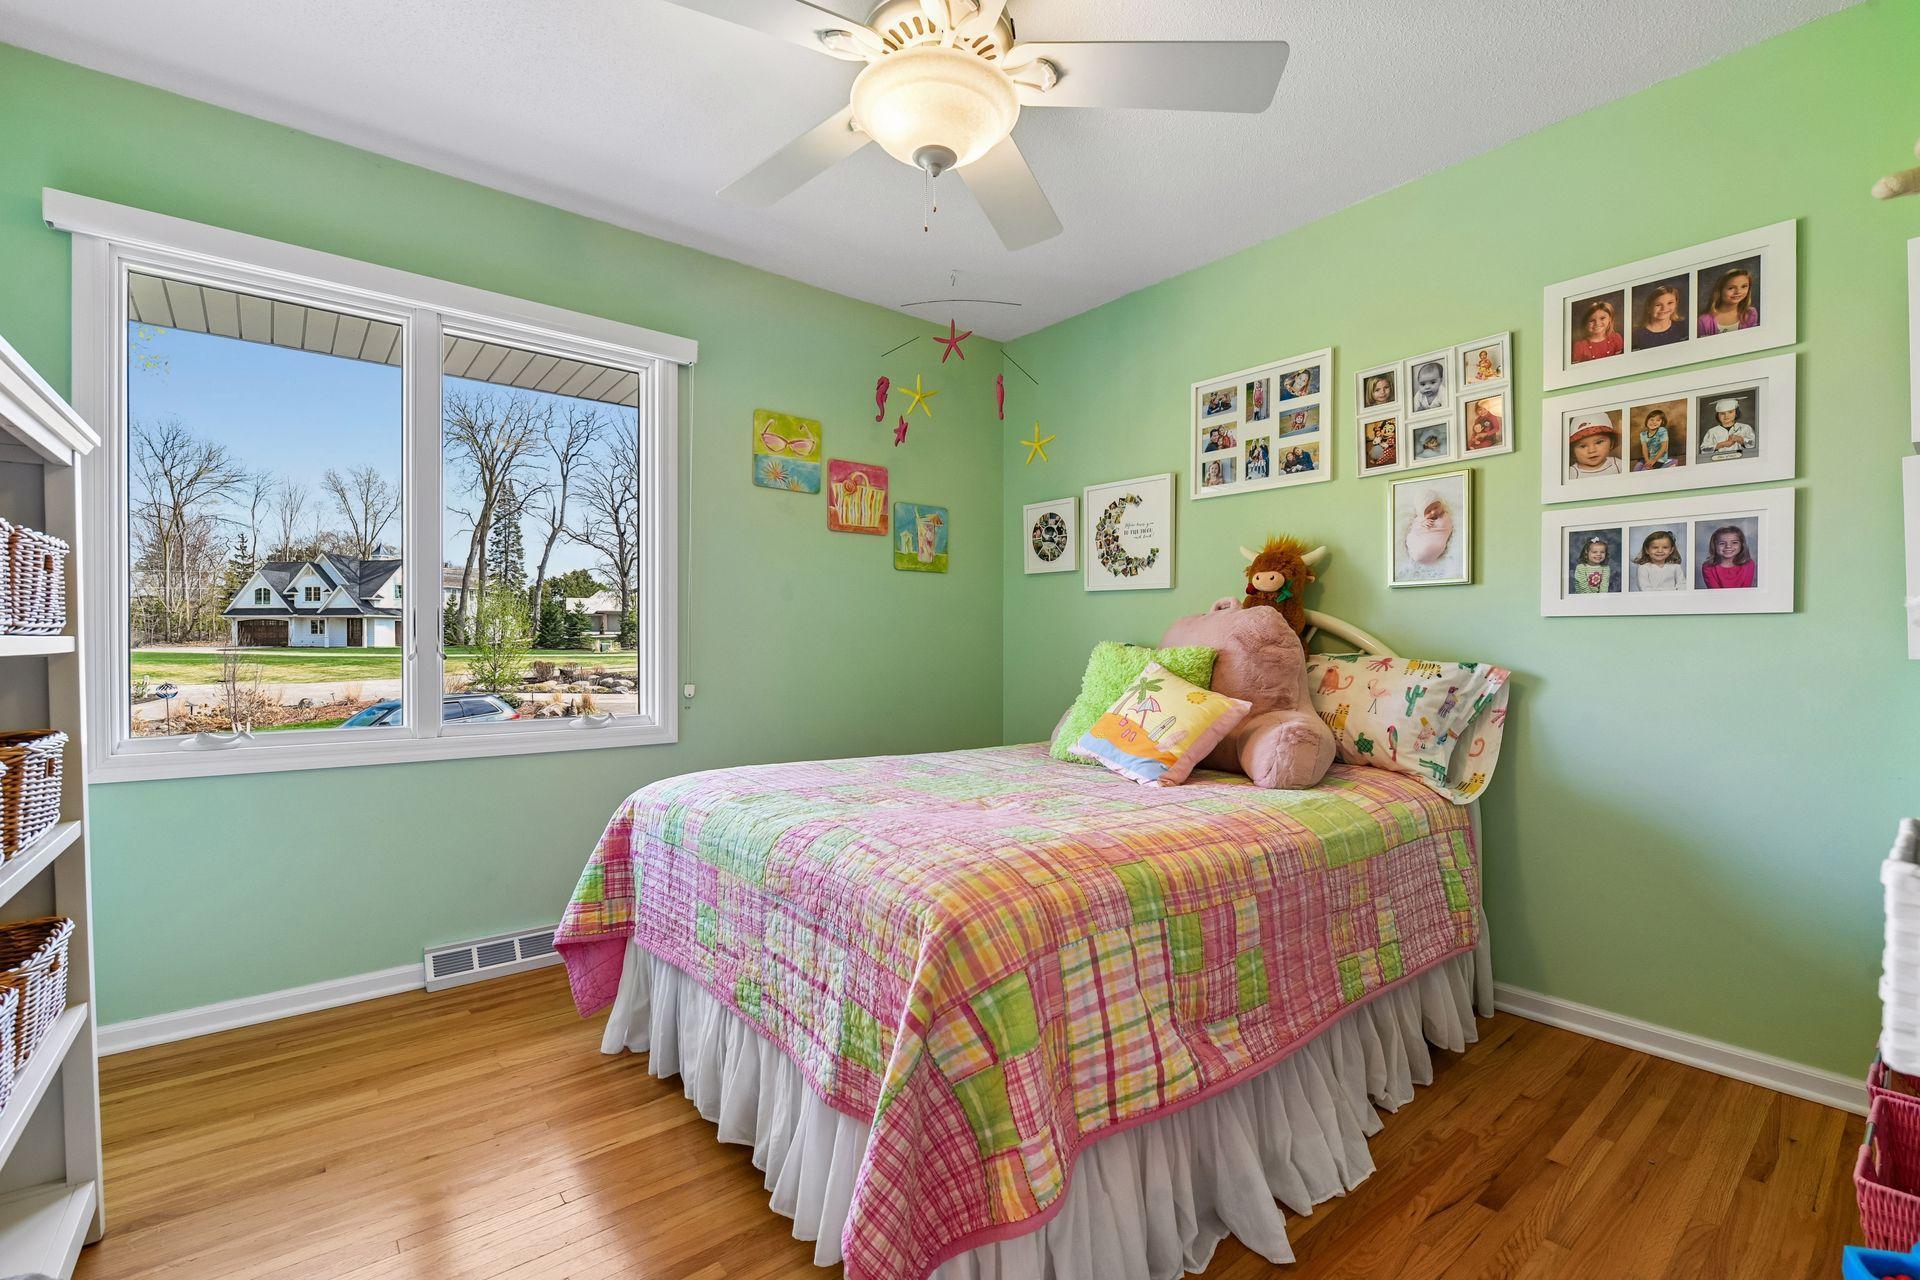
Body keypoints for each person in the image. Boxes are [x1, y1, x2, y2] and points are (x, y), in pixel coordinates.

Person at [1698, 267, 1759, 336]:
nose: (1738, 292)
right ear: (1720, 290)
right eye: (1731, 288)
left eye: (1744, 286)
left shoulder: (1751, 314)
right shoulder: (1703, 321)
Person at [1631, 284, 1688, 349]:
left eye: (1670, 303)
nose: (1664, 308)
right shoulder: (1636, 336)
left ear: (1676, 304)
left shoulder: (1684, 326)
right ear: (1648, 308)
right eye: (1658, 305)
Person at [1700, 524, 1756, 589]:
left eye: (1734, 542)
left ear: (1742, 545)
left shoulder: (1749, 564)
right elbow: (1715, 594)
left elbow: (1746, 591)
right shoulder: (1708, 567)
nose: (1728, 546)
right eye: (1722, 543)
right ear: (1714, 546)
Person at [1567, 415, 1622, 479]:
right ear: (1573, 451)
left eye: (1598, 442)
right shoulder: (1571, 474)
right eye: (1583, 446)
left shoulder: (1618, 465)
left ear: (1611, 443)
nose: (1592, 450)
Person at [1571, 298, 1624, 363]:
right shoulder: (1579, 346)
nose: (1597, 323)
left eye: (1602, 318)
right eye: (1592, 320)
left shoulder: (1616, 338)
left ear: (1610, 319)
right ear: (1585, 323)